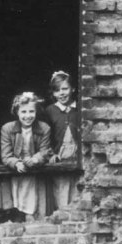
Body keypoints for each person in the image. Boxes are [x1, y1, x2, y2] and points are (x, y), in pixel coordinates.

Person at [0, 91, 53, 220]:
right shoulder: (7, 128)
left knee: (34, 209)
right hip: (15, 174)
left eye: (31, 111)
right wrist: (16, 163)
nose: (28, 116)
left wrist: (36, 159)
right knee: (16, 209)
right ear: (17, 112)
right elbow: (6, 155)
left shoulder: (44, 128)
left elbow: (45, 151)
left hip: (35, 173)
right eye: (23, 112)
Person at [43, 70, 79, 208]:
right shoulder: (50, 111)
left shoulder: (80, 108)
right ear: (53, 93)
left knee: (77, 193)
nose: (61, 93)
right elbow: (46, 136)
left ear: (73, 89)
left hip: (76, 156)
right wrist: (52, 154)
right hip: (59, 157)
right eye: (57, 90)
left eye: (65, 89)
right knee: (62, 193)